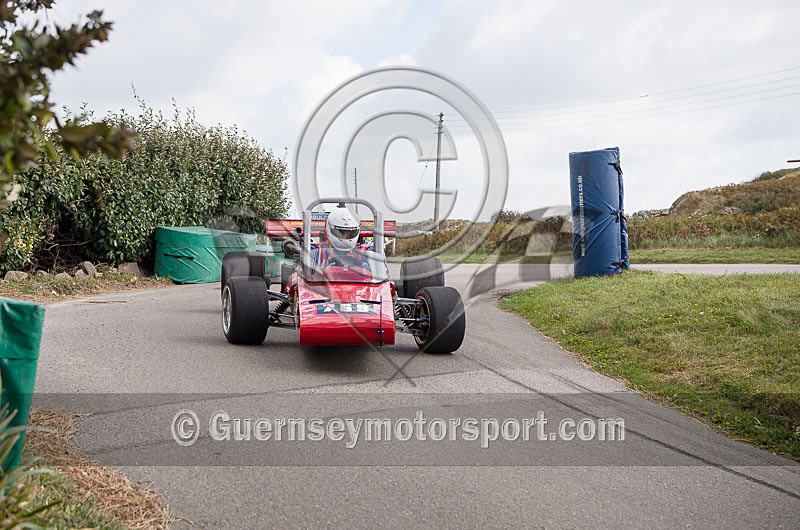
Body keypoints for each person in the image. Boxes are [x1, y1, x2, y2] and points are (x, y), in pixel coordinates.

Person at [310, 206, 371, 270]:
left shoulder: (364, 252)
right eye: (341, 232)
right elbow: (307, 274)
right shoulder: (317, 251)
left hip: (357, 280)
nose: (345, 236)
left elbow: (376, 273)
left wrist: (364, 266)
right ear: (329, 229)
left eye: (350, 233)